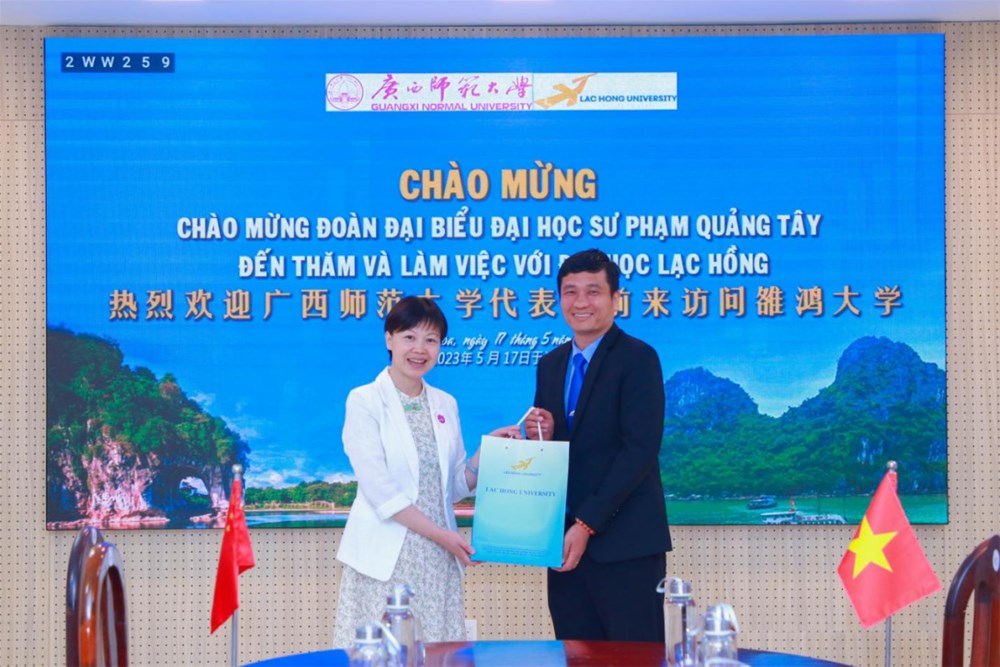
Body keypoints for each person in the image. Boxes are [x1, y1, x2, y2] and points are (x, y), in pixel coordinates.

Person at [332, 296, 522, 647]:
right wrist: (441, 536)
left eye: (431, 340)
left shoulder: (445, 403)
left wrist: (487, 454)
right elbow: (380, 491)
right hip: (385, 559)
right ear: (389, 339)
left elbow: (453, 487)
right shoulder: (364, 400)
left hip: (437, 560)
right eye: (410, 337)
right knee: (384, 654)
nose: (420, 349)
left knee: (437, 653)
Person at [530, 248, 672, 642]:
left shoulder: (638, 358)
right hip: (564, 548)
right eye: (570, 292)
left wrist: (586, 523)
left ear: (615, 299)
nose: (581, 302)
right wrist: (543, 433)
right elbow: (557, 452)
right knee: (575, 653)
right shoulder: (550, 364)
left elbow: (639, 450)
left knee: (635, 657)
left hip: (625, 546)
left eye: (593, 291)